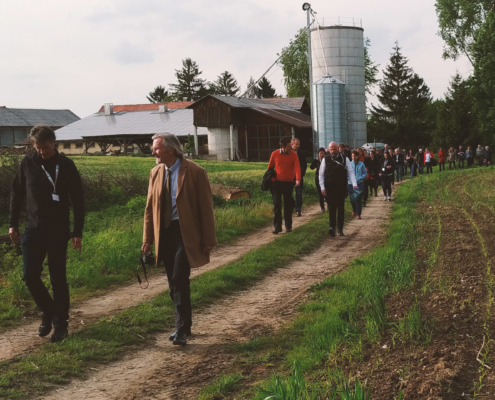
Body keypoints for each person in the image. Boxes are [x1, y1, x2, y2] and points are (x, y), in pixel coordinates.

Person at [9, 124, 85, 343]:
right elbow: (17, 193)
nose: (42, 151)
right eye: (38, 147)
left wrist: (76, 231)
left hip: (58, 231)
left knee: (57, 278)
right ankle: (49, 310)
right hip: (33, 229)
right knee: (29, 275)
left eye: (46, 147)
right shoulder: (27, 163)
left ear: (54, 142)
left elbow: (78, 201)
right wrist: (13, 224)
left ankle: (61, 325)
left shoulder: (66, 165)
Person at [142, 133, 217, 346]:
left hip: (186, 234)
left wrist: (209, 238)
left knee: (178, 278)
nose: (153, 152)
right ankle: (185, 323)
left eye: (156, 148)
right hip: (163, 233)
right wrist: (147, 238)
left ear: (170, 150)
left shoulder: (195, 172)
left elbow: (206, 208)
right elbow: (150, 209)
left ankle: (181, 329)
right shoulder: (155, 173)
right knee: (172, 281)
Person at [319, 141, 357, 237]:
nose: (333, 151)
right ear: (329, 149)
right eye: (331, 149)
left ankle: (340, 228)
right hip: (330, 188)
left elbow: (351, 172)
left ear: (338, 149)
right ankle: (332, 227)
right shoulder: (325, 159)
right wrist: (322, 188)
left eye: (334, 149)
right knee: (332, 208)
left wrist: (354, 184)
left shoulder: (345, 159)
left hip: (341, 187)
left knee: (341, 208)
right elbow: (321, 174)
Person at [267, 137, 301, 234]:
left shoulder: (293, 155)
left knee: (288, 204)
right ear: (283, 147)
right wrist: (272, 179)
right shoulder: (275, 154)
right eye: (289, 146)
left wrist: (298, 179)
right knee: (277, 204)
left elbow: (297, 168)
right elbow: (269, 168)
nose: (291, 148)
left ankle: (288, 225)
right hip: (277, 183)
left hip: (288, 183)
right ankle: (277, 227)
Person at [291, 138, 307, 217]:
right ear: (292, 144)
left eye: (299, 144)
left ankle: (298, 209)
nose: (298, 146)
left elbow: (305, 164)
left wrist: (302, 174)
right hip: (289, 177)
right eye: (296, 144)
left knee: (299, 194)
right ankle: (292, 207)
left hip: (299, 177)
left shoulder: (301, 153)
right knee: (289, 194)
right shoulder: (288, 153)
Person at [349, 150, 367, 219]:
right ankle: (354, 209)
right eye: (352, 156)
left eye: (354, 156)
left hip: (359, 183)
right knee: (352, 198)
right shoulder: (349, 164)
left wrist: (361, 177)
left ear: (357, 156)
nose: (353, 157)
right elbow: (347, 173)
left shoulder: (361, 164)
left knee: (358, 198)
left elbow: (364, 172)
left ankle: (358, 213)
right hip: (351, 184)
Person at [310, 147, 326, 213]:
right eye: (320, 153)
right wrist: (314, 161)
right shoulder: (317, 161)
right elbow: (311, 167)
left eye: (322, 153)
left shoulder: (326, 160)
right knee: (320, 193)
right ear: (318, 154)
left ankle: (328, 204)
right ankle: (322, 208)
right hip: (318, 178)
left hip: (325, 178)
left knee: (326, 192)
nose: (321, 155)